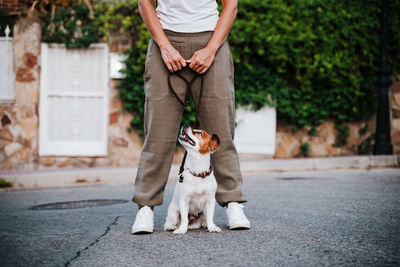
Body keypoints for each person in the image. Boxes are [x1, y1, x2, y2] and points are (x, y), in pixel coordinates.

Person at [131, 0, 250, 234]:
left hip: (211, 40)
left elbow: (231, 6)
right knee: (158, 134)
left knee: (220, 131)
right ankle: (145, 207)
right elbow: (144, 3)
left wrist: (210, 50)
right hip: (165, 39)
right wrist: (164, 46)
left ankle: (232, 202)